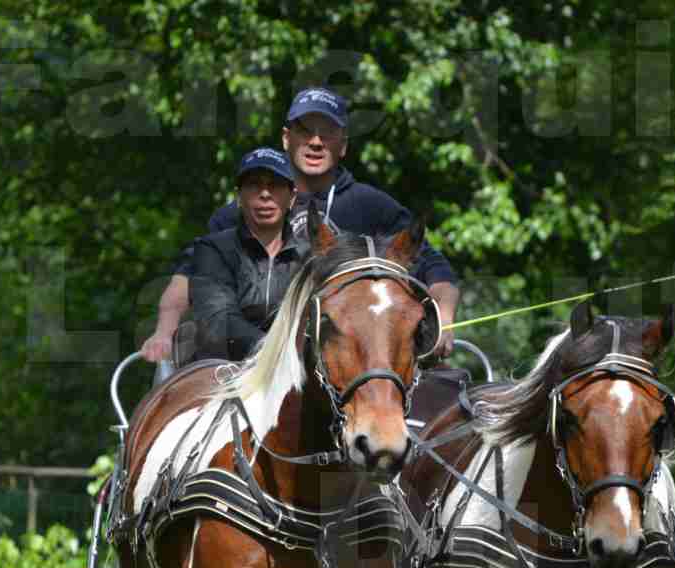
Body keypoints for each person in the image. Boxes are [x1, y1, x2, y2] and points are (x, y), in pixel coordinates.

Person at [141, 87, 459, 363]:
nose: (316, 142)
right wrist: (163, 333)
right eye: (305, 130)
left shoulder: (370, 206)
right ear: (286, 138)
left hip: (333, 364)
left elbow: (434, 269)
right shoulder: (238, 213)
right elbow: (187, 276)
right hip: (239, 358)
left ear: (344, 144)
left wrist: (444, 320)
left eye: (328, 132)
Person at [189, 147, 307, 362]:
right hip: (223, 371)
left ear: (292, 198)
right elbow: (218, 321)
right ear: (239, 198)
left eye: (275, 185)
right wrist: (274, 354)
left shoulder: (311, 257)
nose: (265, 194)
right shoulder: (212, 249)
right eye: (254, 185)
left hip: (295, 373)